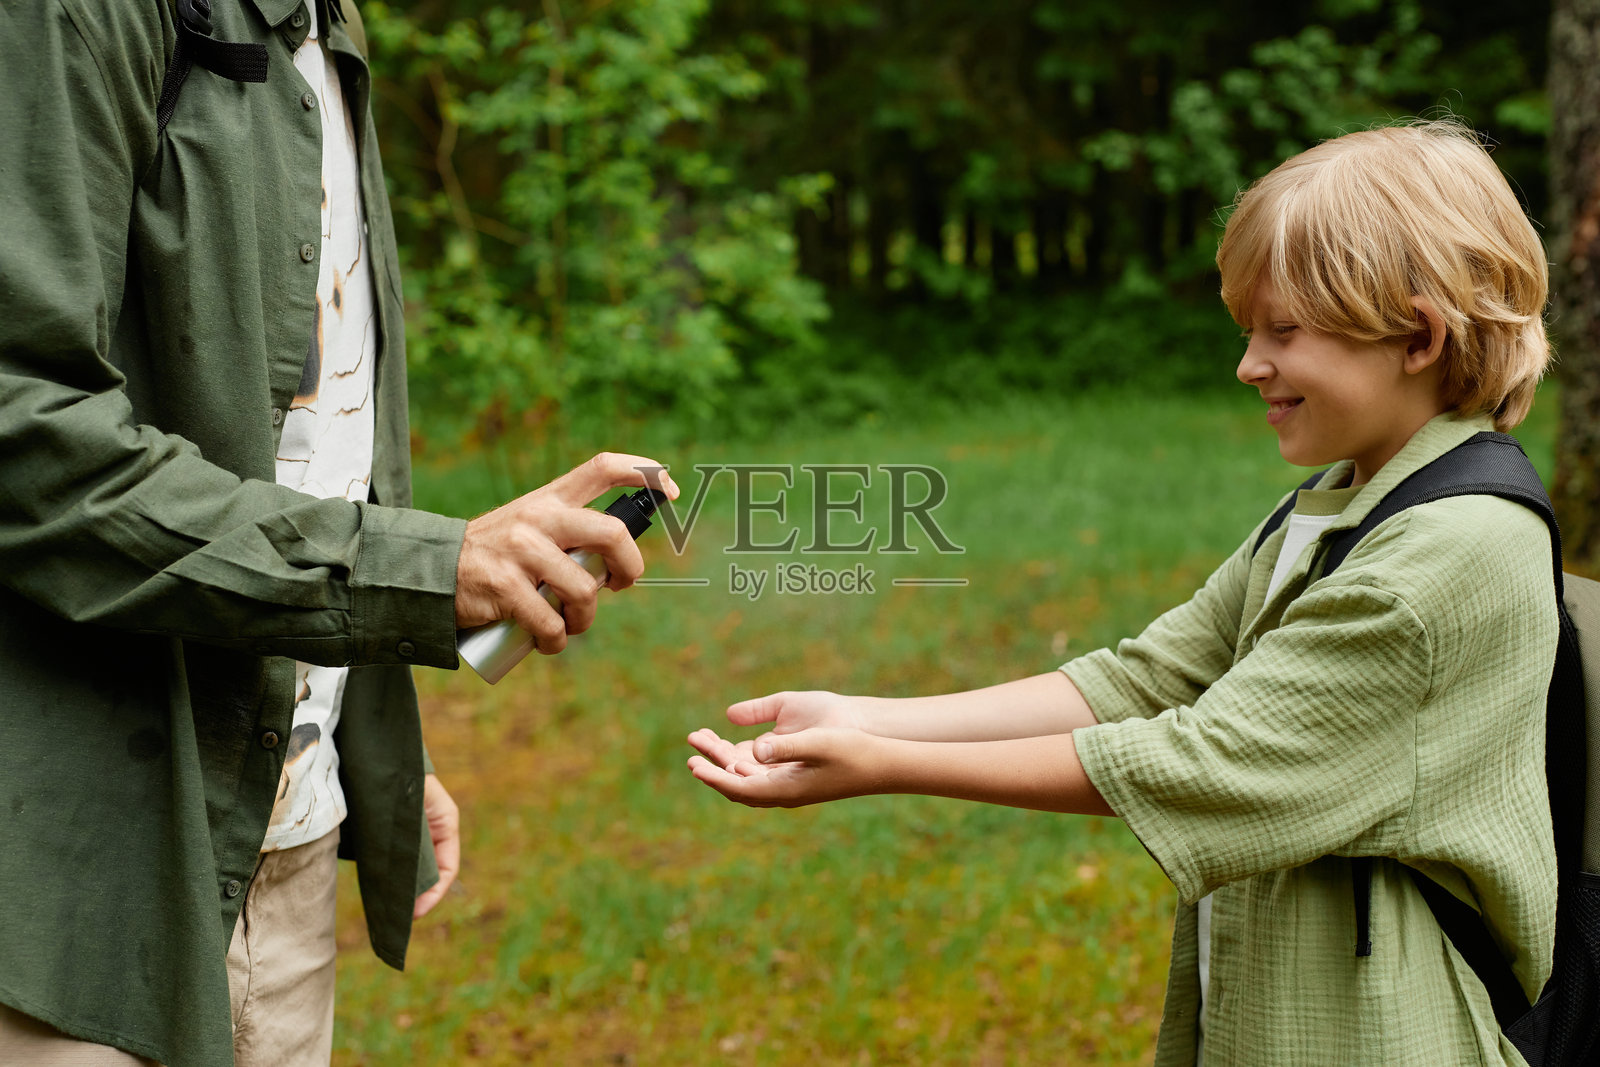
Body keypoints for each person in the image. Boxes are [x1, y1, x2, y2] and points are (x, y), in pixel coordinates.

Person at [687, 120, 1555, 1066]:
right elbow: (1151, 676)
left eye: (1284, 330)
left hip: (1382, 1028)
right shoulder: (1346, 502)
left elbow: (1208, 759)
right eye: (1248, 329)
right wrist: (868, 715)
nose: (1248, 364)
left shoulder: (1443, 556)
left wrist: (886, 762)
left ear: (1419, 336)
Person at [0, 1, 677, 1065]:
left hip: (287, 834)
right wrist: (425, 568)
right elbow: (25, 437)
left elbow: (312, 434)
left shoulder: (329, 29)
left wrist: (353, 731)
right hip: (77, 885)